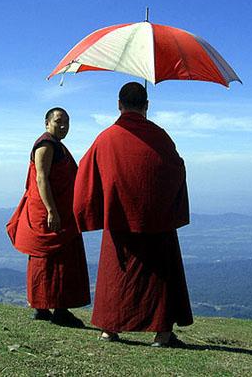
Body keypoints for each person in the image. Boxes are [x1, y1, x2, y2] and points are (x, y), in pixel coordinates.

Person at [74, 82, 193, 346]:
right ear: (147, 106)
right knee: (160, 277)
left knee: (116, 274)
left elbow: (86, 172)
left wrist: (95, 209)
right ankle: (162, 334)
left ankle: (109, 330)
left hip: (118, 219)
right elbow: (176, 168)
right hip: (157, 220)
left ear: (119, 104)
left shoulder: (106, 137)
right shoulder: (160, 136)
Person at [7, 107, 90, 327]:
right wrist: (52, 210)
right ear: (47, 123)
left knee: (60, 260)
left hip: (60, 209)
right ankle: (49, 308)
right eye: (58, 121)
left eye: (67, 122)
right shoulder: (45, 145)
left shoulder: (57, 145)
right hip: (49, 211)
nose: (63, 126)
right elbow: (41, 179)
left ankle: (51, 308)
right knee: (47, 259)